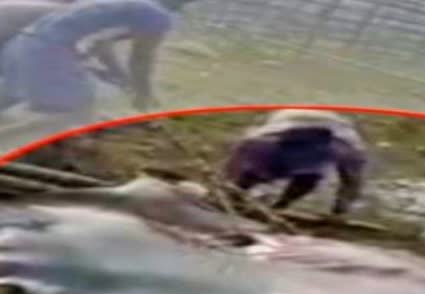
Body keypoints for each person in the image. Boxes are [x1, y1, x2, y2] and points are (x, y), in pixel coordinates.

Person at [0, 0, 196, 128]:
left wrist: (121, 77)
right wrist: (143, 94)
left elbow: (101, 45)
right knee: (73, 110)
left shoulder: (127, 5)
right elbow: (141, 59)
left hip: (21, 42)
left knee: (16, 97)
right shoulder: (157, 15)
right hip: (42, 46)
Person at [223, 109, 369, 217]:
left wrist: (338, 212)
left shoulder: (348, 147)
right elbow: (351, 184)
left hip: (285, 134)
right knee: (305, 175)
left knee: (305, 175)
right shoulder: (348, 148)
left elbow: (352, 183)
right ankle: (268, 203)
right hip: (283, 134)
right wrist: (339, 212)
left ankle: (274, 205)